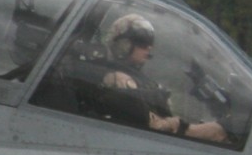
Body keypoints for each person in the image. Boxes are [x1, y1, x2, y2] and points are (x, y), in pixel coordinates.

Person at [96, 13, 227, 142]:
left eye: (150, 42)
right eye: (142, 42)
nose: (149, 47)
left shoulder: (140, 79)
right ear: (123, 45)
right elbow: (152, 126)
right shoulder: (118, 79)